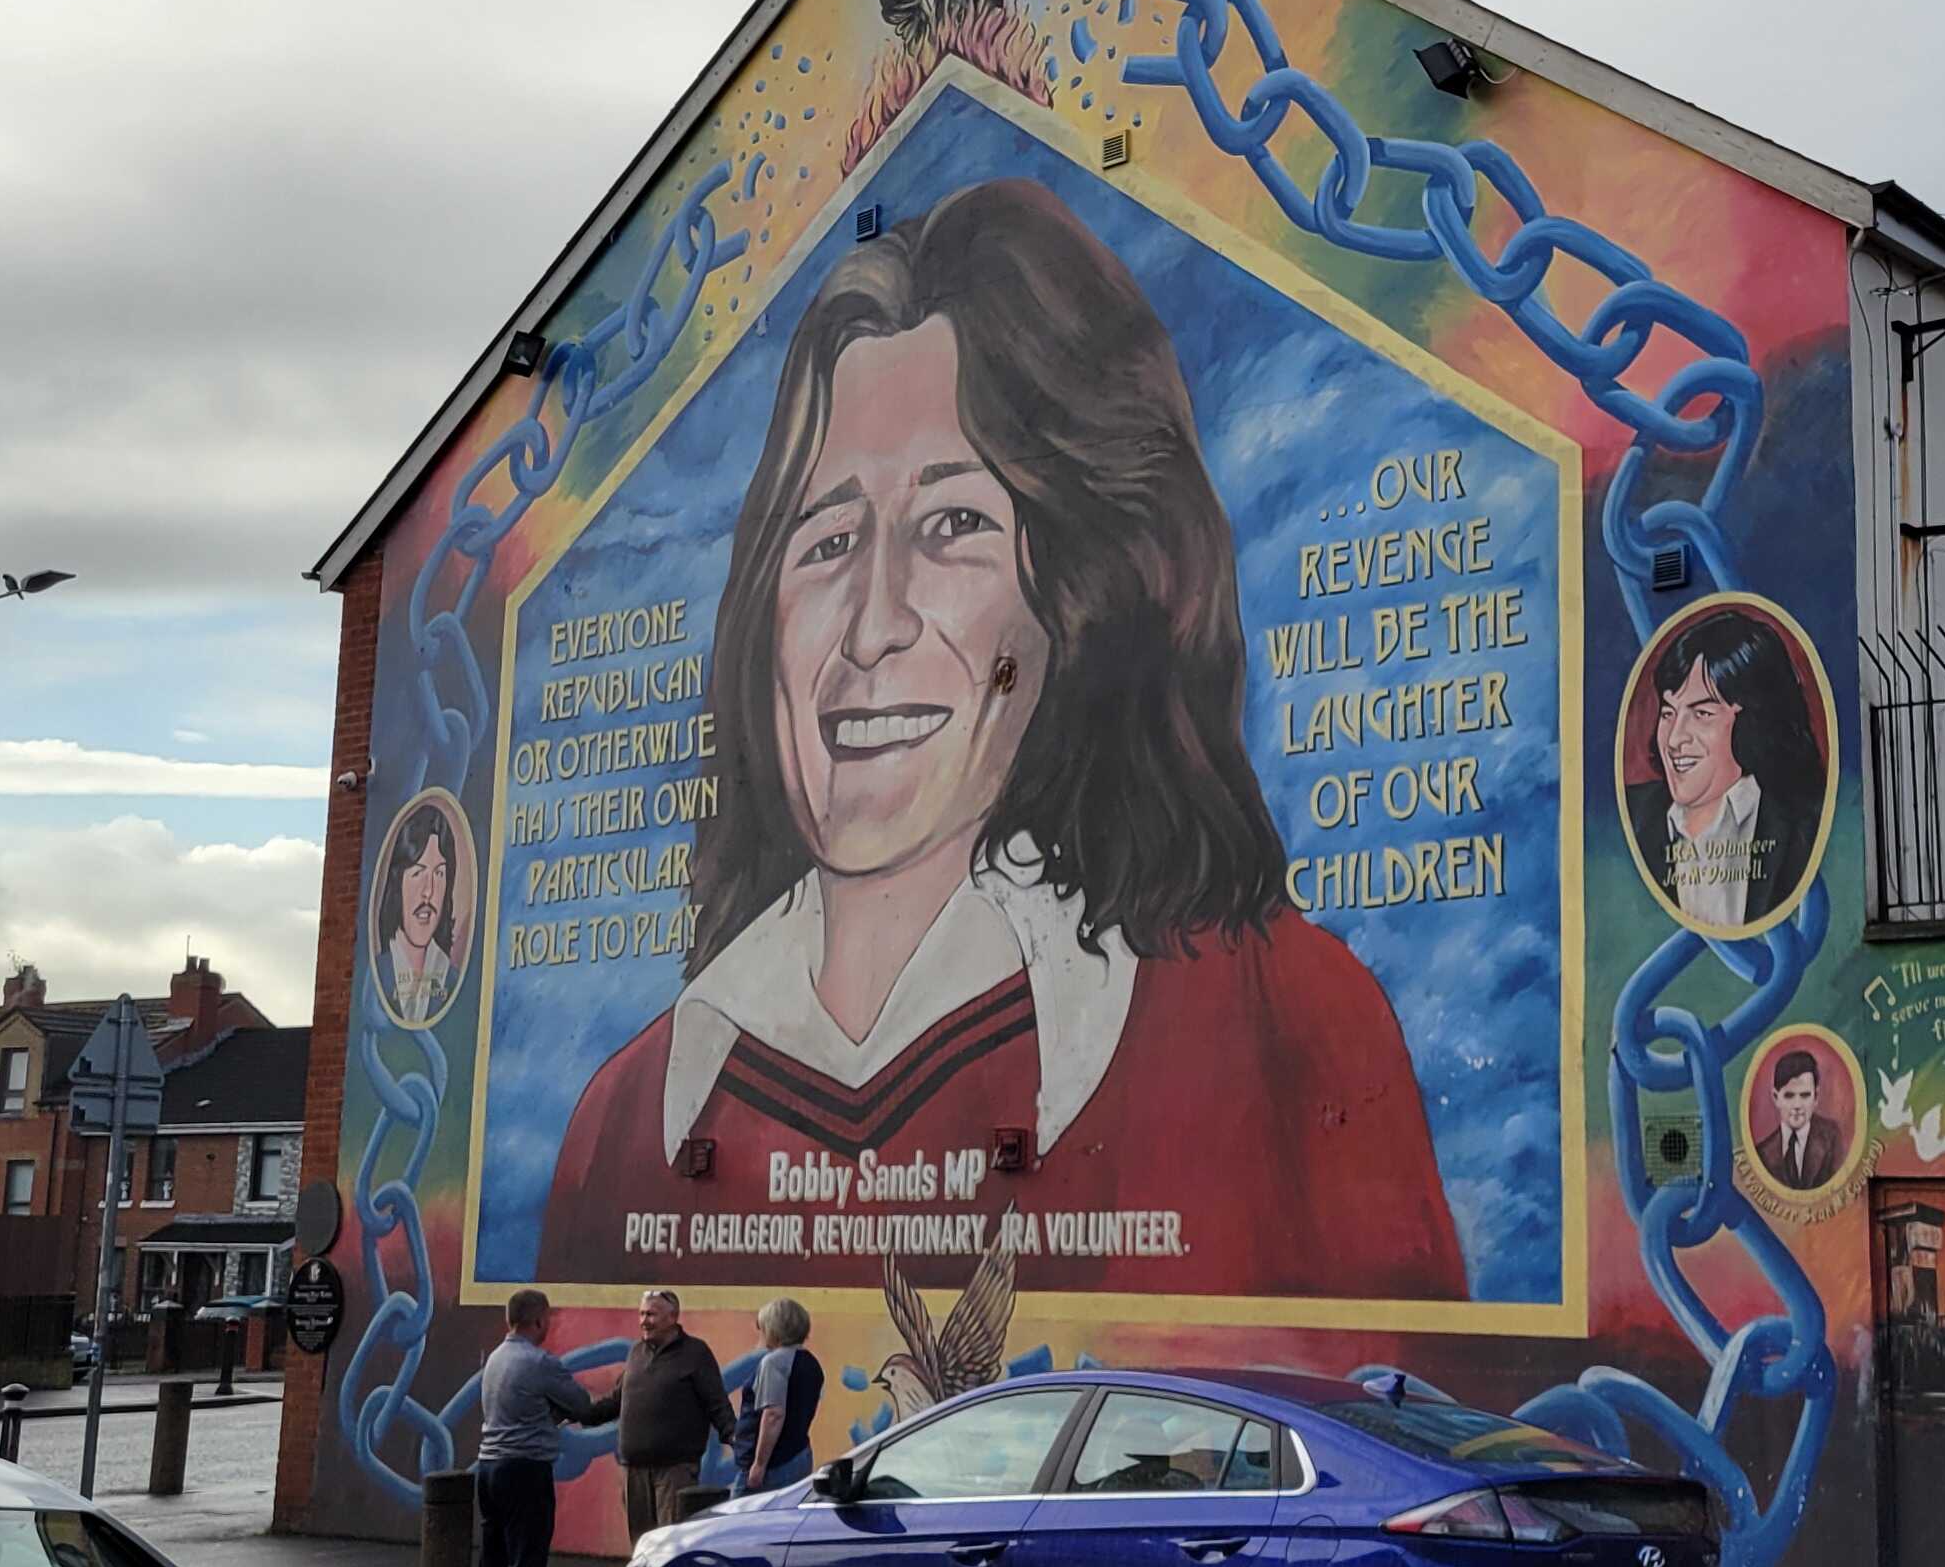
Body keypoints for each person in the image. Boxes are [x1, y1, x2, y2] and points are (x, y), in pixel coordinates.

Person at [538, 179, 1465, 1297]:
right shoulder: (630, 1121)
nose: (872, 626)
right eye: (828, 542)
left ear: (1080, 591)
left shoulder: (1285, 1027)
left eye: (954, 526)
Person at [1624, 609, 1823, 932]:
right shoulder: (1632, 817)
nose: (1674, 739)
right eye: (1668, 713)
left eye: (1701, 714)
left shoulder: (1805, 821)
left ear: (1753, 721)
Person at [465, 1289, 615, 1567]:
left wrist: (547, 1410)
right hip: (526, 1470)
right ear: (538, 1320)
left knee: (490, 1566)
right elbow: (583, 1406)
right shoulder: (540, 1362)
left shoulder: (495, 1359)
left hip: (489, 1467)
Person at [614, 1290, 736, 1539]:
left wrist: (737, 1439)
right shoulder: (636, 1352)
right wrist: (578, 1412)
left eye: (651, 1314)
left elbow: (717, 1404)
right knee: (642, 1546)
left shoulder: (695, 1353)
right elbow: (616, 1400)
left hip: (674, 1472)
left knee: (670, 1543)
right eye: (641, 1314)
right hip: (634, 1471)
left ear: (673, 1317)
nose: (643, 1321)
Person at [380, 810, 461, 1016]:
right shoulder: (377, 978)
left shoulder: (453, 981)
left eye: (439, 873)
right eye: (418, 873)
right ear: (398, 881)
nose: (429, 891)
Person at [740, 1297, 822, 1492]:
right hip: (799, 1452)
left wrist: (759, 1464)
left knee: (744, 1510)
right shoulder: (810, 1362)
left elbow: (773, 1415)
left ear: (773, 1328)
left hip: (775, 1463)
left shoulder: (774, 1362)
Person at [1754, 1047, 1846, 1192]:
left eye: (1805, 1095)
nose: (1797, 1105)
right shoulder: (1763, 1153)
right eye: (1789, 1096)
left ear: (1816, 1097)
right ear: (1776, 1097)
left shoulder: (1831, 1138)